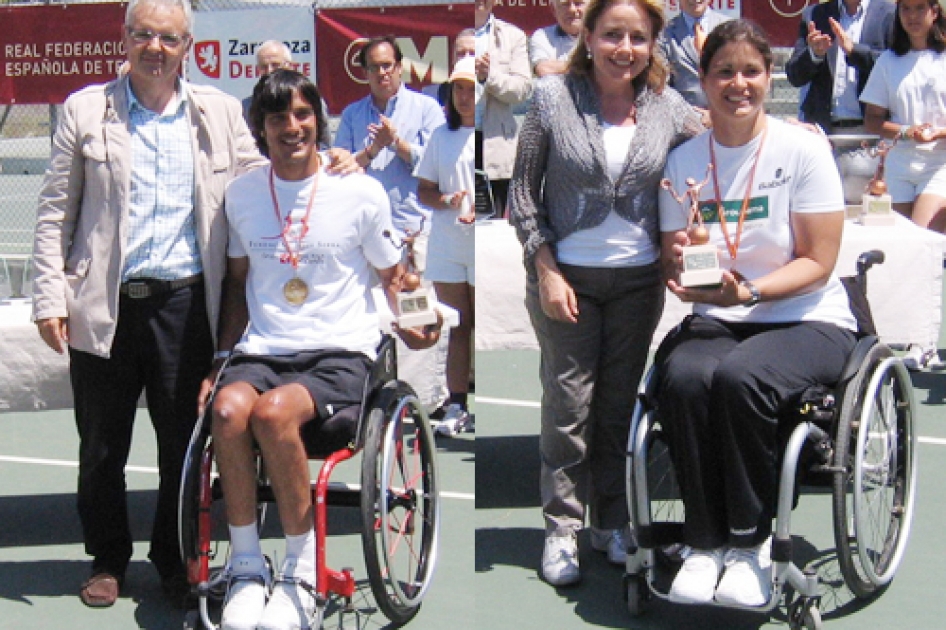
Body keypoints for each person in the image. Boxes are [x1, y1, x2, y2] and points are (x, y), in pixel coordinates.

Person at [30, 0, 356, 609]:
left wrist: (326, 164)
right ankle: (107, 558)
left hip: (185, 308)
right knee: (102, 445)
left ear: (189, 47)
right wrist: (51, 294)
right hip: (105, 307)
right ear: (124, 39)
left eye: (170, 38)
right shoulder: (85, 109)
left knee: (183, 446)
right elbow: (56, 211)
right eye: (145, 36)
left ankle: (176, 559)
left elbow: (269, 171)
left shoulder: (220, 112)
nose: (156, 48)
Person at [207, 69, 441, 630]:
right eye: (277, 118)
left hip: (342, 351)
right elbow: (238, 289)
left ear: (319, 118)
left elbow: (395, 280)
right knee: (228, 409)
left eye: (303, 114)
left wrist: (419, 322)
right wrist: (218, 365)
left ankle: (298, 572)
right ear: (260, 130)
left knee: (274, 411)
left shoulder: (359, 191)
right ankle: (244, 566)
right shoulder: (240, 195)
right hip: (264, 349)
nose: (292, 127)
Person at [655, 19, 858, 608]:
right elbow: (680, 263)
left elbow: (820, 262)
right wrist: (688, 262)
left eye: (750, 71)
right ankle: (702, 543)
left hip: (806, 315)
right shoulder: (685, 160)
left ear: (768, 77)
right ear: (705, 80)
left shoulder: (803, 148)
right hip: (720, 315)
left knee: (744, 378)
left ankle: (749, 544)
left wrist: (748, 292)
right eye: (724, 72)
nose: (737, 83)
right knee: (687, 378)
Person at [508, 0, 704, 587]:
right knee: (569, 409)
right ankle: (561, 530)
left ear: (653, 46)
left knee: (618, 408)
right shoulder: (551, 100)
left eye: (638, 38)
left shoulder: (667, 108)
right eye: (612, 34)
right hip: (566, 277)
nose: (625, 48)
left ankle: (609, 523)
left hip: (639, 282)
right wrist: (546, 269)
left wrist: (788, 130)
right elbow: (521, 193)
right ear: (587, 36)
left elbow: (722, 130)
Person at [859, 0, 946, 369]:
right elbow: (873, 120)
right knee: (898, 253)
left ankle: (923, 341)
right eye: (905, 9)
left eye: (918, 8)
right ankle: (898, 335)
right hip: (897, 165)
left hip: (939, 165)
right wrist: (907, 131)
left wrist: (938, 132)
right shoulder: (888, 61)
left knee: (922, 244)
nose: (911, 17)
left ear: (935, 12)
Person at [334, 35, 445, 250]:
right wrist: (373, 150)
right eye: (374, 67)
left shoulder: (426, 108)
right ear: (365, 73)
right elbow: (340, 168)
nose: (382, 73)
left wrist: (396, 143)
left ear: (399, 67)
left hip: (416, 228)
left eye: (387, 65)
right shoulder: (351, 114)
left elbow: (438, 164)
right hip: (366, 230)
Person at [415, 56, 476, 436]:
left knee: (485, 327)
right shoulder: (441, 136)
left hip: (484, 246)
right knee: (458, 324)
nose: (465, 96)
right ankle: (456, 405)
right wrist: (449, 201)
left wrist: (480, 214)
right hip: (447, 245)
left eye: (472, 89)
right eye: (459, 89)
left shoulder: (493, 135)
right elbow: (425, 191)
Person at [785, 0, 896, 134]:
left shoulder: (890, 13)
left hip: (873, 133)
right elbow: (795, 76)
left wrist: (854, 52)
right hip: (824, 133)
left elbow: (895, 67)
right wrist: (814, 55)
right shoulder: (815, 15)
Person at [476, 0, 532, 218]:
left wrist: (488, 77)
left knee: (492, 225)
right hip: (457, 139)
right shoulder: (448, 27)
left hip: (494, 144)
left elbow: (521, 90)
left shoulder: (512, 36)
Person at [659, 0, 730, 112]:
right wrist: (689, 117)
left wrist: (715, 115)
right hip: (683, 121)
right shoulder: (664, 34)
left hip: (725, 116)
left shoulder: (729, 28)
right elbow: (662, 87)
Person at [529, 0, 586, 77]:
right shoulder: (543, 35)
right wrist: (589, 66)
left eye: (578, 3)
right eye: (565, 4)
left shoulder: (604, 35)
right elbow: (543, 69)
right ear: (553, 10)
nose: (572, 9)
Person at [241, 40, 294, 124]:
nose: (269, 71)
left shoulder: (308, 101)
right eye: (264, 66)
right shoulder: (246, 107)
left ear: (290, 66)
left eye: (275, 65)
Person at [423, 29, 476, 106]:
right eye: (460, 53)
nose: (466, 58)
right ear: (453, 58)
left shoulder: (493, 93)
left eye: (473, 53)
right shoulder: (429, 96)